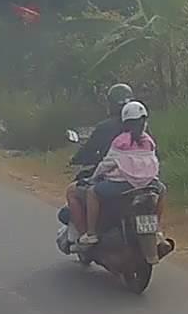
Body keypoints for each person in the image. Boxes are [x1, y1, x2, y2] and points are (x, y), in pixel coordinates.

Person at [78, 100, 161, 246]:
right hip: (149, 184)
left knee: (92, 193)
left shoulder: (121, 141)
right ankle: (157, 231)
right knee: (162, 191)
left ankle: (91, 234)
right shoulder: (149, 141)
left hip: (123, 185)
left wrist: (94, 177)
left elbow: (107, 164)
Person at [65, 83, 134, 243]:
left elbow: (90, 151)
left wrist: (75, 159)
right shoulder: (141, 128)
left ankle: (87, 235)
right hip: (142, 180)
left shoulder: (106, 128)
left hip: (115, 179)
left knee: (75, 192)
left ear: (111, 104)